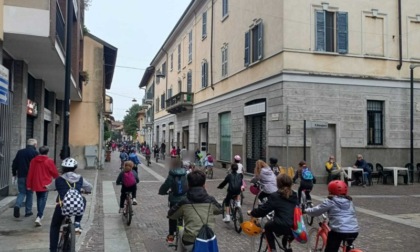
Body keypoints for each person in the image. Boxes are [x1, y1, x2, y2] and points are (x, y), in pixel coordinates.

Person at [168, 170, 223, 252]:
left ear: (188, 184)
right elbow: (220, 210)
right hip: (207, 239)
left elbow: (171, 215)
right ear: (204, 185)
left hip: (190, 241)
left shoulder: (184, 202)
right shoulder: (210, 200)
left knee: (181, 231)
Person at [48, 157, 93, 251]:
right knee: (83, 199)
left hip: (62, 206)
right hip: (76, 206)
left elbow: (49, 188)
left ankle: (53, 249)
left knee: (55, 226)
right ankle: (77, 223)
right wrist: (84, 190)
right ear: (75, 168)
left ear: (63, 169)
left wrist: (47, 187)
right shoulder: (80, 178)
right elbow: (89, 188)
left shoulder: (58, 179)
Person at [305, 180, 359, 252]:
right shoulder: (349, 201)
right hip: (354, 231)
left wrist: (306, 210)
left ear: (331, 190)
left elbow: (316, 211)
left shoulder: (330, 201)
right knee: (347, 247)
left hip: (339, 231)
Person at [248, 174, 298, 252]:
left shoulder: (276, 196)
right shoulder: (294, 195)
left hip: (280, 224)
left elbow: (263, 210)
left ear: (278, 184)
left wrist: (252, 213)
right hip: (294, 226)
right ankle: (287, 246)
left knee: (267, 226)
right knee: (286, 241)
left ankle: (273, 249)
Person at [26, 146, 59, 226]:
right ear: (47, 152)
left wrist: (29, 184)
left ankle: (39, 214)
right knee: (43, 199)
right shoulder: (49, 161)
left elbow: (30, 173)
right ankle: (39, 215)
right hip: (46, 183)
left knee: (39, 199)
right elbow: (54, 172)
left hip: (36, 183)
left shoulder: (34, 160)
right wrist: (58, 179)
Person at [158, 158, 188, 244]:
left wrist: (162, 192)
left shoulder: (172, 174)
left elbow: (166, 185)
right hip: (185, 199)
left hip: (174, 200)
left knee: (172, 215)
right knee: (187, 214)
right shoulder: (186, 174)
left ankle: (171, 235)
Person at [12, 138, 38, 218]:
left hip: (21, 175)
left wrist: (14, 173)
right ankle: (28, 211)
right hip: (30, 177)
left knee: (22, 192)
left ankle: (17, 205)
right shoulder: (35, 153)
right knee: (29, 193)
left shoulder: (20, 152)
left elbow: (14, 163)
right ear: (35, 145)